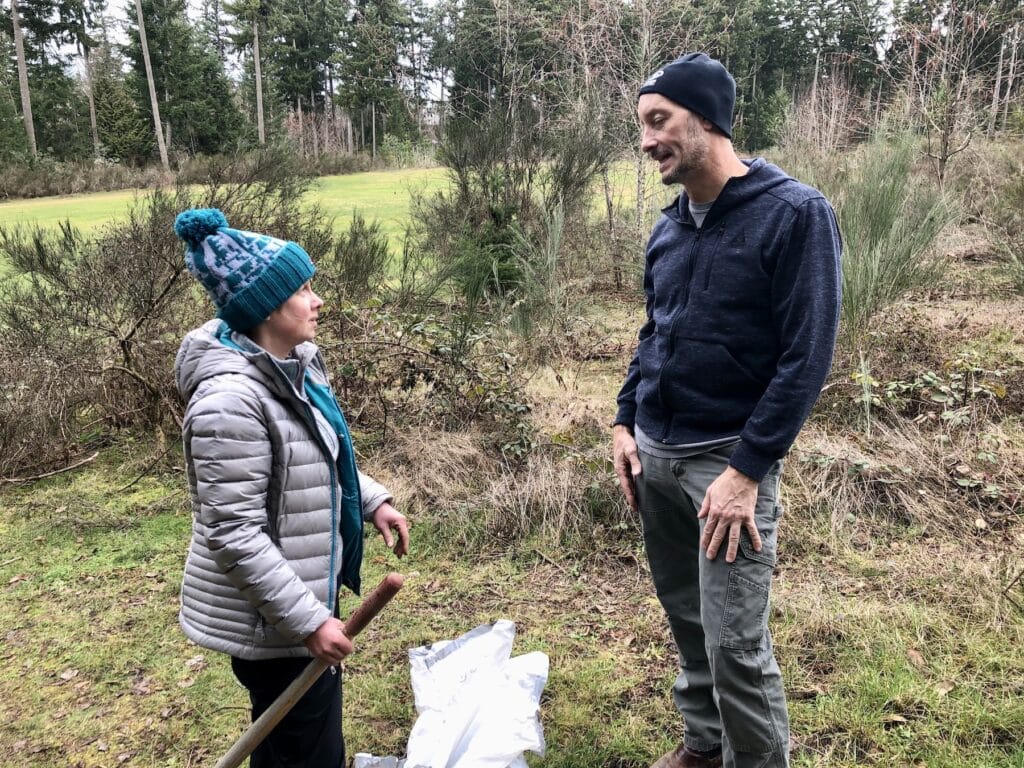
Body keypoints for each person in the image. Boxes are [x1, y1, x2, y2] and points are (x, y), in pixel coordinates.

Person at [612, 54, 842, 768]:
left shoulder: (795, 215)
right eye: (642, 127)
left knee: (736, 642)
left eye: (660, 121)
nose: (647, 142)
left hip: (726, 462)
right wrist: (625, 421)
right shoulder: (670, 226)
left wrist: (746, 471)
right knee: (687, 618)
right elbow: (655, 330)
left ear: (708, 117)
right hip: (658, 454)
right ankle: (706, 745)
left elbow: (806, 358)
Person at [173, 208, 410, 768]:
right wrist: (307, 622)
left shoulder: (288, 366)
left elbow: (313, 457)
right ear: (266, 307)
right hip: (274, 621)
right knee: (307, 751)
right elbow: (233, 533)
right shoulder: (229, 403)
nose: (318, 300)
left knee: (291, 742)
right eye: (304, 289)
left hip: (296, 603)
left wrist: (370, 498)